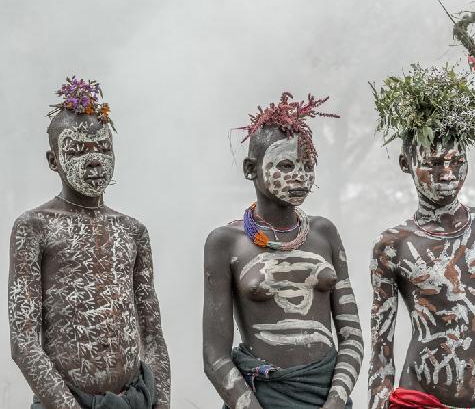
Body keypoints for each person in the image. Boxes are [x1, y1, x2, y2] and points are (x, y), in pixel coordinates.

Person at [368, 64, 475, 409]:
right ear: (405, 163)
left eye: (456, 161)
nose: (447, 174)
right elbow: (381, 349)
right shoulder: (394, 245)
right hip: (419, 400)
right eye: (433, 164)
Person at [8, 77, 171, 409]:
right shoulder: (35, 227)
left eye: (103, 148)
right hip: (65, 402)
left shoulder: (132, 230)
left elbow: (153, 335)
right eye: (77, 150)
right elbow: (23, 342)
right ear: (53, 160)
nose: (95, 159)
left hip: (136, 398)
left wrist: (161, 402)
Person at [203, 92, 363, 409]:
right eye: (287, 165)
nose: (300, 176)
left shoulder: (324, 233)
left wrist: (335, 400)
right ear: (251, 168)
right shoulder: (226, 243)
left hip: (327, 396)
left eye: (308, 165)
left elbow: (352, 337)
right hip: (262, 397)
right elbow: (214, 356)